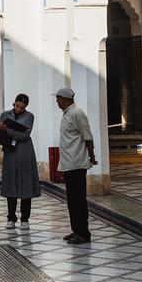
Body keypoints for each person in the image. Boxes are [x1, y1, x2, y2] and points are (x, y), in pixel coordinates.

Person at [54, 86, 97, 244]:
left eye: (58, 98)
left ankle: (84, 233)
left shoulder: (77, 114)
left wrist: (91, 156)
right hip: (69, 163)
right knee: (72, 199)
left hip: (77, 163)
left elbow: (88, 137)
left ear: (64, 99)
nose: (56, 101)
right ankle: (76, 230)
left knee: (78, 199)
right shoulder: (67, 114)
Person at [0, 94, 38, 225]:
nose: (19, 109)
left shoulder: (29, 116)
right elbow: (1, 131)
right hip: (10, 151)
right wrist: (2, 130)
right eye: (17, 106)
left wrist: (8, 130)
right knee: (10, 183)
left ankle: (25, 218)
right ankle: (11, 217)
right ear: (13, 103)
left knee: (26, 184)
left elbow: (24, 135)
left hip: (24, 151)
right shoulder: (5, 115)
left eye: (22, 107)